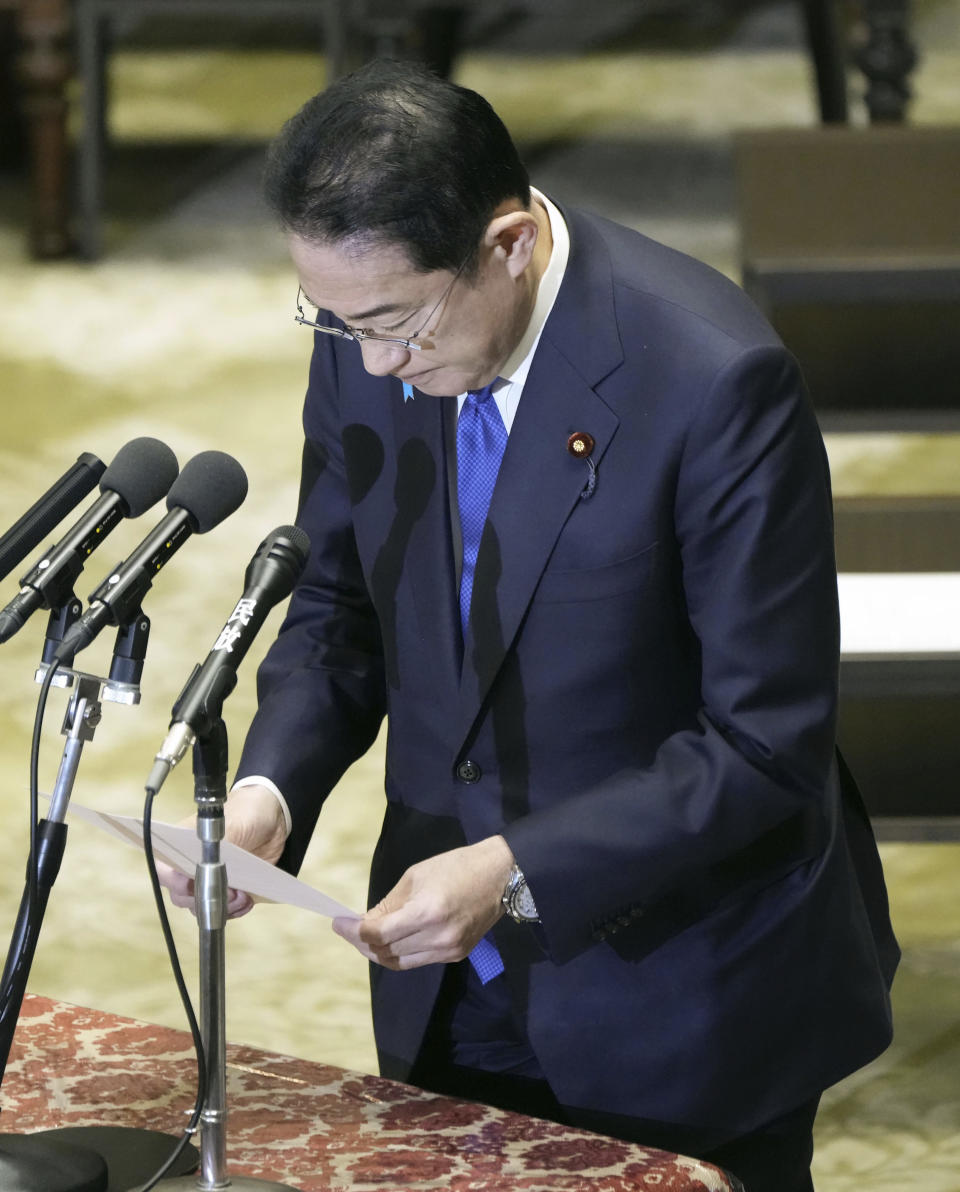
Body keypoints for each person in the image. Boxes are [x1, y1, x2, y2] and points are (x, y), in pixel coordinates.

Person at [161, 58, 899, 1191]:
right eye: (333, 319)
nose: (370, 363)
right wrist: (273, 788)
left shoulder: (714, 381)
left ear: (508, 245)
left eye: (393, 323)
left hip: (677, 984)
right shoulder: (372, 333)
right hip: (444, 974)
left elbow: (764, 746)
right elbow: (338, 602)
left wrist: (512, 872)